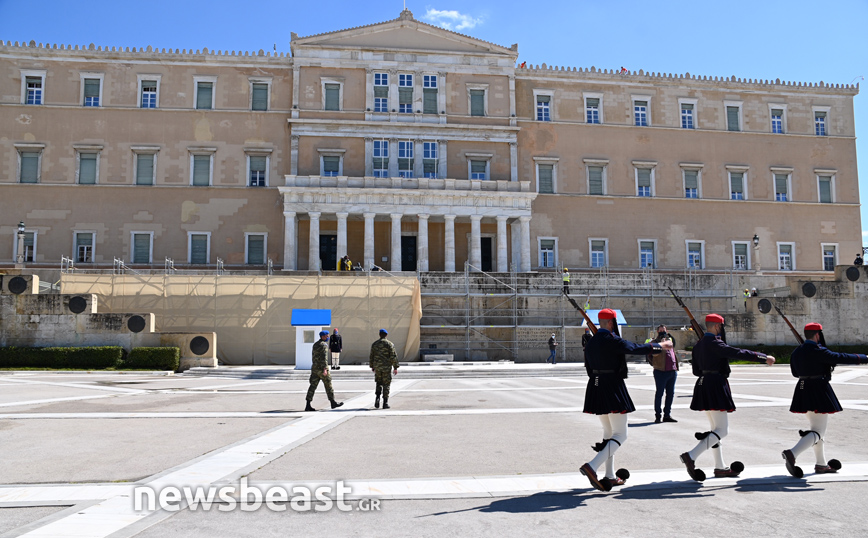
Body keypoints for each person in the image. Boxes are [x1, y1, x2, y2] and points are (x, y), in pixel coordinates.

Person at [579, 309, 673, 492]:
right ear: (611, 323)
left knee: (608, 433)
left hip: (596, 386)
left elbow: (588, 368)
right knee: (621, 434)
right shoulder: (612, 340)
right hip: (612, 386)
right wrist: (661, 346)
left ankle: (610, 475)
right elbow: (634, 348)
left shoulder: (591, 342)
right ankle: (592, 465)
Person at [680, 314, 774, 481]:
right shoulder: (715, 343)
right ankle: (691, 455)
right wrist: (763, 357)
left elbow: (695, 371)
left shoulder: (698, 345)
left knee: (715, 430)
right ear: (717, 327)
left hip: (703, 384)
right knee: (722, 430)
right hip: (715, 384)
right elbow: (738, 352)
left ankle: (720, 466)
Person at [782, 322, 868, 478]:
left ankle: (821, 464)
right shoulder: (818, 351)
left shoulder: (797, 352)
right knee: (818, 431)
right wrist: (864, 357)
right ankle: (792, 453)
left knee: (816, 428)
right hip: (818, 389)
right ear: (817, 335)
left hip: (802, 387)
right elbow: (840, 357)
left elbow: (795, 373)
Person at [305, 331, 344, 411]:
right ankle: (333, 402)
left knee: (312, 386)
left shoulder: (315, 344)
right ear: (322, 336)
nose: (328, 337)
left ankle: (308, 404)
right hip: (322, 369)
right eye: (327, 336)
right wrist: (325, 369)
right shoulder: (324, 345)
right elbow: (324, 358)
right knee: (328, 385)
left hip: (315, 368)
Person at [647, 325, 678, 424]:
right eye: (660, 331)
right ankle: (658, 415)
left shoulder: (670, 341)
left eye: (664, 331)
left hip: (672, 371)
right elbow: (649, 356)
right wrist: (655, 364)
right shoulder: (654, 342)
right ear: (657, 332)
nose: (662, 332)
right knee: (659, 393)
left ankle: (667, 415)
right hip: (660, 371)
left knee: (670, 394)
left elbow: (674, 348)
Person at [370, 329, 399, 409]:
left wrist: (372, 366)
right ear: (386, 335)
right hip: (386, 367)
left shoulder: (375, 344)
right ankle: (385, 402)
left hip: (378, 367)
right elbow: (393, 356)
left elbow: (371, 356)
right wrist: (395, 367)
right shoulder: (389, 344)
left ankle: (377, 398)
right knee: (386, 384)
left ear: (379, 335)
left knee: (378, 383)